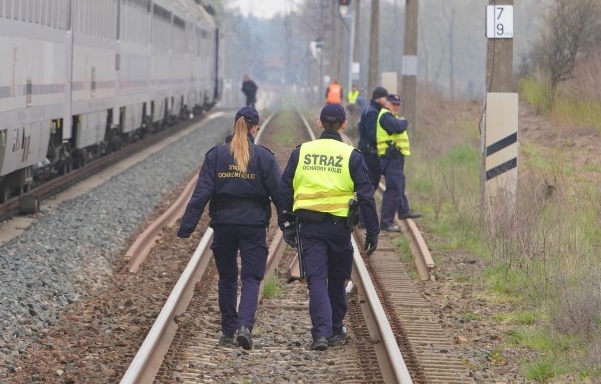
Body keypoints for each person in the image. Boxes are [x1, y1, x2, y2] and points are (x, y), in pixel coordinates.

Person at [177, 107, 285, 350]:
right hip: (253, 226)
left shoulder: (216, 155)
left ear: (235, 125)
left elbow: (201, 193)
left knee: (227, 278)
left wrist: (187, 227)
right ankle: (244, 326)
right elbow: (279, 195)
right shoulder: (264, 157)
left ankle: (228, 330)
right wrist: (287, 223)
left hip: (223, 225)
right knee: (251, 278)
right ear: (255, 128)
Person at [278, 103, 380, 351]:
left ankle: (321, 334)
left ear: (319, 123)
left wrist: (286, 224)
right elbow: (366, 195)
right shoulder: (351, 155)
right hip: (338, 229)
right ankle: (334, 329)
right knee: (336, 279)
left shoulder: (301, 152)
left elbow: (284, 189)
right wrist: (373, 230)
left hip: (309, 227)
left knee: (316, 280)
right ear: (344, 125)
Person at [358, 87, 421, 232]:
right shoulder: (376, 113)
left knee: (396, 184)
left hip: (383, 155)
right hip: (376, 155)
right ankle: (377, 220)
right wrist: (403, 123)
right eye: (388, 100)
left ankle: (402, 210)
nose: (393, 105)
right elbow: (376, 134)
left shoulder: (379, 112)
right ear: (381, 99)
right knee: (378, 186)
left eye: (397, 104)